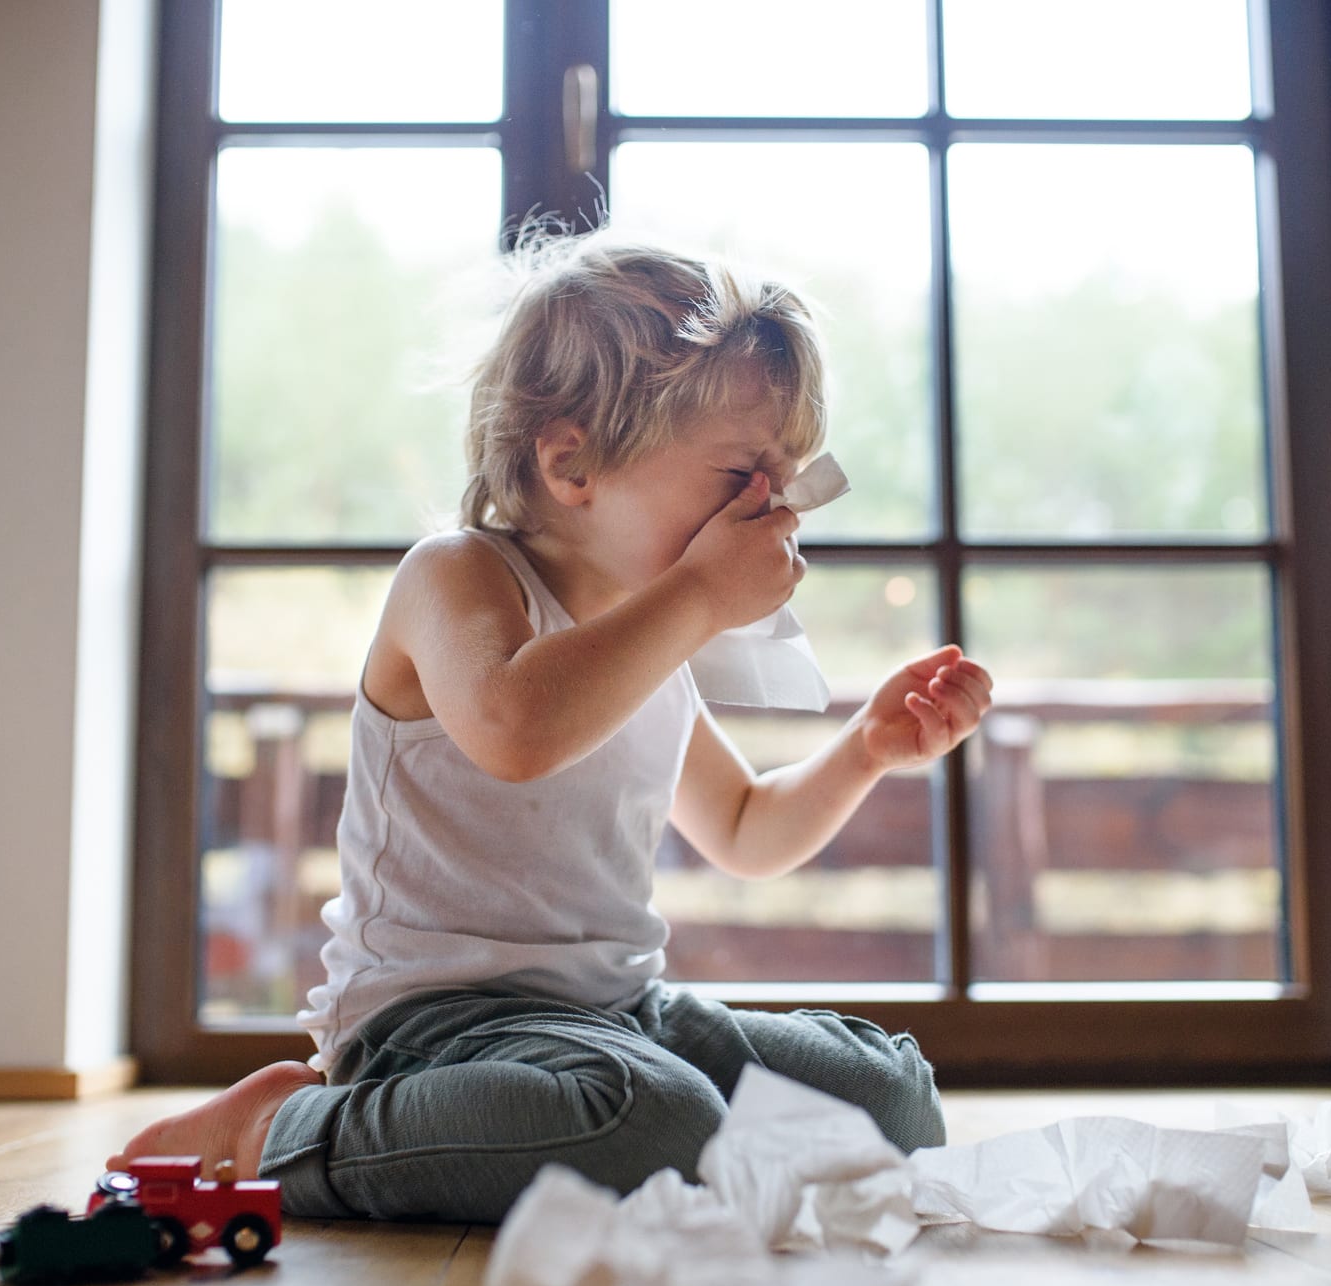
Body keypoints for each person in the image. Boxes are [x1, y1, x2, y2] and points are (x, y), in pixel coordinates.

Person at [108, 233, 995, 1222]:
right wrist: (701, 595)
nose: (775, 509)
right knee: (649, 1122)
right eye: (741, 474)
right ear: (572, 462)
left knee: (892, 1098)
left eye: (782, 480)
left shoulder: (648, 634)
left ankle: (660, 1142)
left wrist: (867, 750)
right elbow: (516, 729)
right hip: (436, 1028)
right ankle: (281, 1131)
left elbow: (746, 828)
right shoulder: (457, 579)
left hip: (618, 1013)